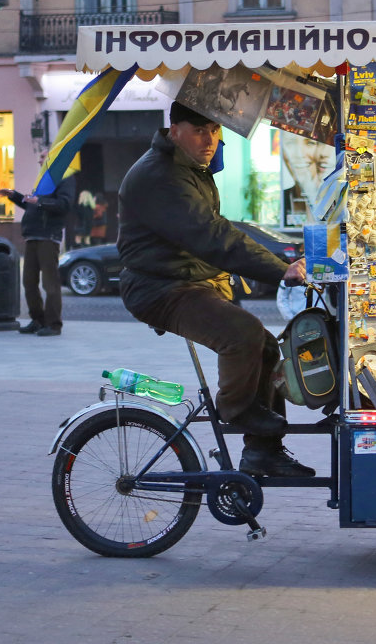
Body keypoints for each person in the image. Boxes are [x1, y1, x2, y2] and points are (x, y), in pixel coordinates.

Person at [117, 100, 312, 478]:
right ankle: (234, 410)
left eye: (214, 130)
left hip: (187, 279)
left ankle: (263, 453)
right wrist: (279, 270)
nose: (209, 139)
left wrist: (282, 262)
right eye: (198, 130)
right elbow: (211, 236)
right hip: (160, 286)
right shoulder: (161, 175)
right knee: (242, 334)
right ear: (174, 130)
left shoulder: (192, 168)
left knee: (267, 346)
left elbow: (217, 228)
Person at [0, 161, 76, 337]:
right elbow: (32, 204)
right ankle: (38, 320)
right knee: (29, 282)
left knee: (50, 283)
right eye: (40, 158)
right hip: (32, 235)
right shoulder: (44, 180)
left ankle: (53, 324)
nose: (40, 160)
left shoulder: (65, 178)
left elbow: (64, 204)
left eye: (44, 157)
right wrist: (15, 196)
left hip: (48, 236)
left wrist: (40, 201)